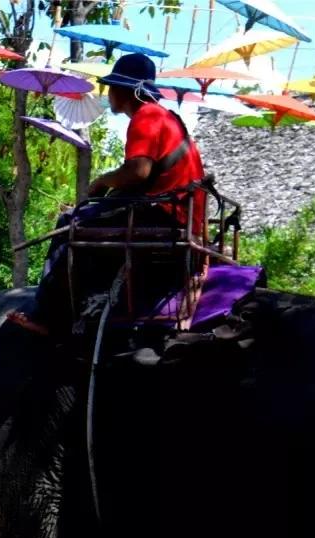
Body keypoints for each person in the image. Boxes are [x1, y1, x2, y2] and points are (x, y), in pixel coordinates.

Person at [15, 52, 207, 336]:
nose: (108, 92)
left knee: (69, 224)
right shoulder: (169, 119)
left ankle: (48, 315)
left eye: (112, 87)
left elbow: (139, 172)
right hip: (181, 213)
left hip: (166, 215)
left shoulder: (147, 116)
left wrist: (102, 182)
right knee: (91, 217)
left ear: (125, 90)